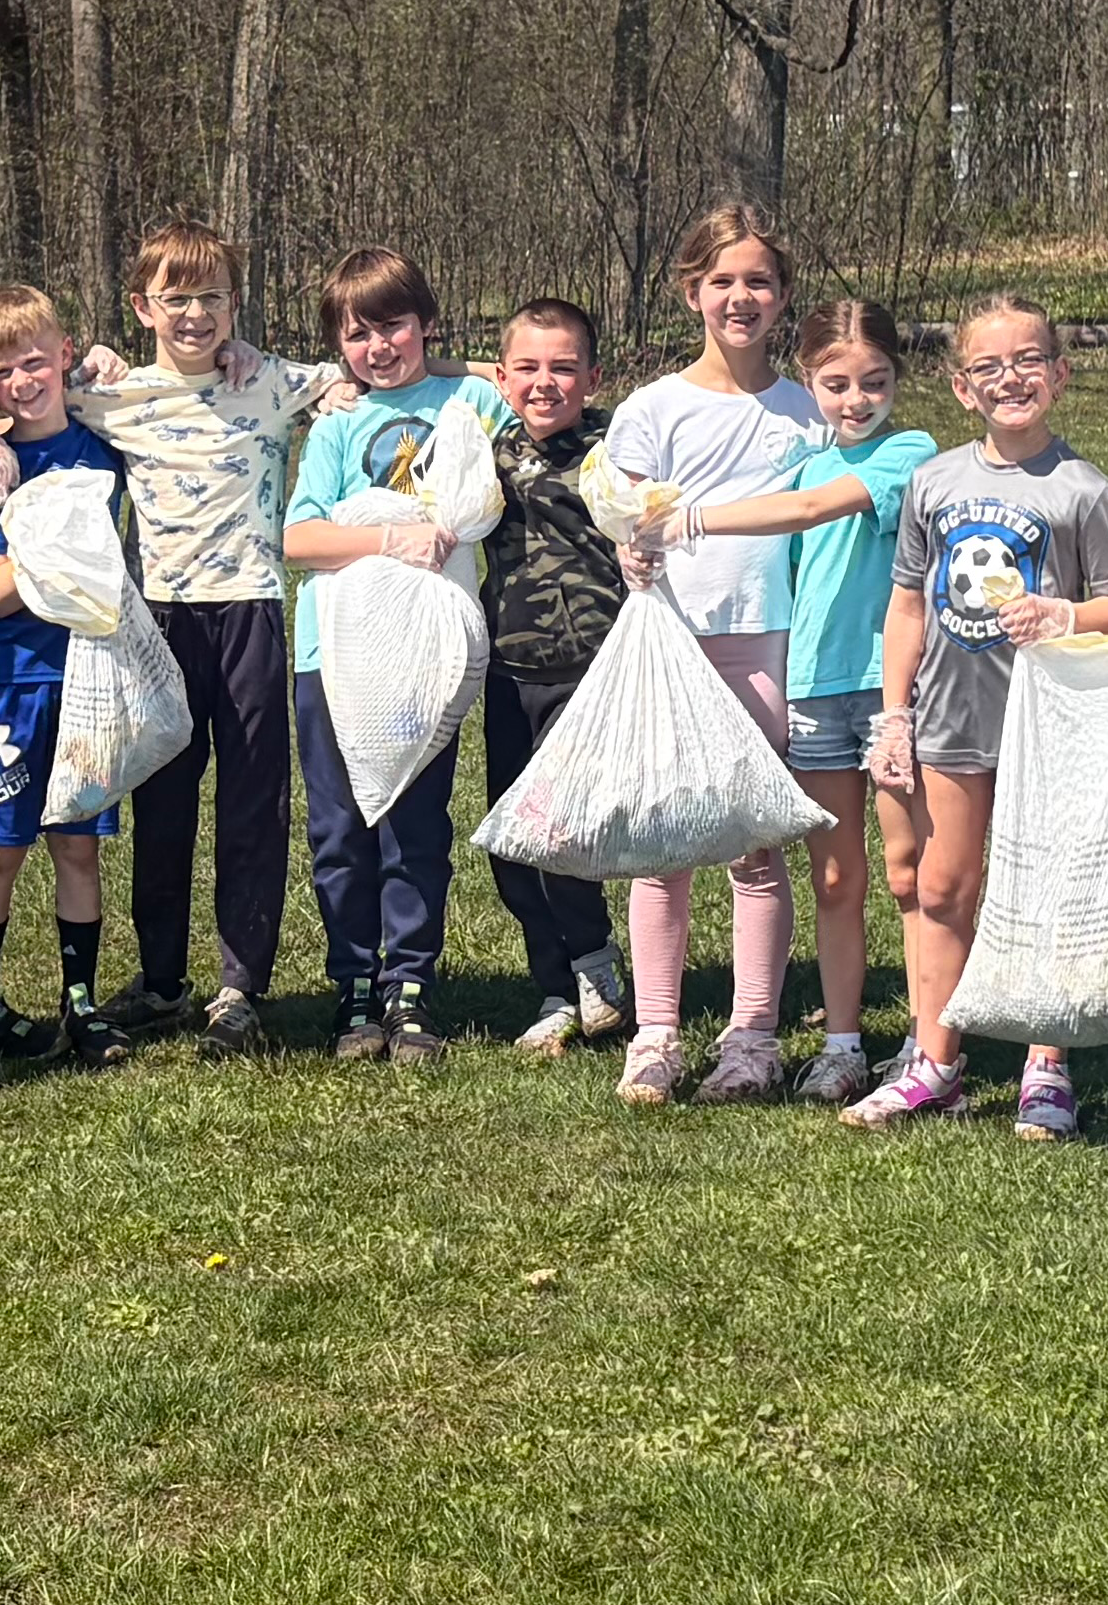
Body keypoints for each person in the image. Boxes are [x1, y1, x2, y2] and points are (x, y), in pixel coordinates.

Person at [838, 295, 1108, 1134]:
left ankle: (1047, 1065)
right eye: (989, 367)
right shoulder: (936, 482)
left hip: (1048, 726)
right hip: (950, 722)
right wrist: (894, 716)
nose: (1011, 379)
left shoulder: (1084, 492)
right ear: (962, 387)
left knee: (1040, 889)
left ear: (1061, 374)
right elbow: (908, 606)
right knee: (942, 886)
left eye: (1029, 360)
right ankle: (936, 1061)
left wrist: (1065, 616)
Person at [632, 300, 933, 1109]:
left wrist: (690, 517)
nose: (856, 399)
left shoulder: (910, 453)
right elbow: (789, 546)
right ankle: (841, 1044)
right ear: (811, 382)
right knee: (836, 876)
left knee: (911, 874)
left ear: (899, 380)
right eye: (836, 384)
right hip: (812, 688)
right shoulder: (799, 460)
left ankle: (927, 1038)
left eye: (875, 381)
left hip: (890, 689)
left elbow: (810, 511)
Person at [67, 220, 335, 1056]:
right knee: (164, 800)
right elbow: (24, 391)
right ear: (143, 306)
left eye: (212, 297)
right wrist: (88, 361)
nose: (195, 315)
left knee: (253, 801)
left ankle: (238, 986)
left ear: (235, 303)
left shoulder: (273, 381)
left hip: (250, 609)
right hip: (161, 618)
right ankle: (162, 976)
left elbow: (369, 377)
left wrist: (492, 371)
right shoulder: (115, 396)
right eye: (176, 299)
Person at [604, 203, 829, 1105]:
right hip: (673, 645)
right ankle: (655, 1032)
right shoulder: (655, 406)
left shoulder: (807, 412)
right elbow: (618, 507)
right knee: (666, 844)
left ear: (782, 298)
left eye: (760, 283)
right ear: (691, 291)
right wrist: (628, 542)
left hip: (768, 643)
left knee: (756, 842)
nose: (742, 298)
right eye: (724, 281)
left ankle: (752, 1035)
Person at [283, 247, 507, 1065]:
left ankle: (410, 985)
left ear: (429, 324)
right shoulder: (338, 426)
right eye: (358, 333)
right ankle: (352, 982)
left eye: (395, 327)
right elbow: (300, 539)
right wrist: (389, 538)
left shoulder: (469, 401)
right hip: (335, 652)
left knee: (414, 824)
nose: (378, 347)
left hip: (428, 655)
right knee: (340, 826)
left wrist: (439, 362)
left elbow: (522, 370)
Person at [0, 285, 136, 1065]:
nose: (23, 382)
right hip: (12, 685)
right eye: (2, 373)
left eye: (36, 361)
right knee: (1, 848)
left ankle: (82, 1006)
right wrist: (69, 567)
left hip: (90, 682)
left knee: (78, 848)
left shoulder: (104, 449)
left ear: (65, 355)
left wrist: (109, 365)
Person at [476, 299, 637, 1054]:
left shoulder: (615, 449)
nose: (546, 383)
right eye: (529, 369)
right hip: (510, 671)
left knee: (566, 830)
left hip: (594, 669)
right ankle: (554, 984)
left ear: (593, 376)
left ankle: (594, 960)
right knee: (512, 841)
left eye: (564, 367)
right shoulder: (488, 451)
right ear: (503, 378)